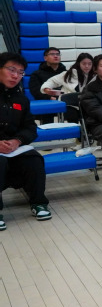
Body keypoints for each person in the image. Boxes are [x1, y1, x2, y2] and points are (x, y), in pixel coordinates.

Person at [0, 52, 52, 230]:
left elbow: (30, 128)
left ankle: (39, 203)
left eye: (20, 72)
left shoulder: (21, 99)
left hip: (13, 148)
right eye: (11, 70)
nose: (15, 75)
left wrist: (17, 140)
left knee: (34, 159)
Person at [40, 53, 93, 121]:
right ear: (78, 63)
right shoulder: (68, 74)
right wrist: (46, 89)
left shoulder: (95, 76)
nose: (87, 66)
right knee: (72, 114)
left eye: (89, 64)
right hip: (69, 105)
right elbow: (52, 81)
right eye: (84, 63)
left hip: (88, 105)